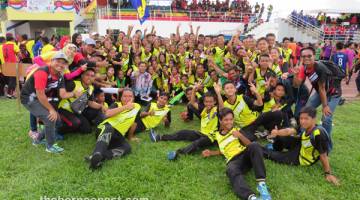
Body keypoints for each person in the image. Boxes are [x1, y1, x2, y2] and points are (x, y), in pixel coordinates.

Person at [202, 108, 271, 200]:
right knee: (230, 169)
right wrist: (211, 153)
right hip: (233, 161)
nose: (229, 122)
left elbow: (249, 145)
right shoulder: (217, 135)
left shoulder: (237, 130)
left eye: (231, 119)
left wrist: (240, 135)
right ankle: (251, 197)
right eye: (226, 120)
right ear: (220, 121)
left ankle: (261, 185)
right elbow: (223, 150)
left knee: (255, 145)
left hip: (245, 156)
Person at [263, 106, 340, 186]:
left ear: (314, 119)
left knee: (272, 155)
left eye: (306, 119)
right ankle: (276, 148)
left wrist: (328, 173)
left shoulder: (318, 133)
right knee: (280, 137)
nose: (303, 121)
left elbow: (323, 155)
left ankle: (256, 148)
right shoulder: (304, 126)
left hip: (301, 158)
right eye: (301, 118)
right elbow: (289, 131)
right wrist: (277, 132)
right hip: (300, 145)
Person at [150, 83, 222, 160]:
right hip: (202, 133)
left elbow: (222, 107)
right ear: (204, 102)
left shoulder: (216, 110)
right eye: (206, 102)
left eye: (211, 102)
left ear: (215, 102)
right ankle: (160, 137)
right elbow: (192, 102)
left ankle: (179, 153)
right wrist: (194, 89)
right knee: (183, 132)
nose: (208, 104)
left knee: (196, 143)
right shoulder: (204, 109)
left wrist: (218, 93)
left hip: (211, 137)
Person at [20, 52, 74, 153]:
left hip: (40, 97)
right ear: (51, 61)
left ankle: (38, 140)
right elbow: (40, 94)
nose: (61, 65)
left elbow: (62, 94)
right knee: (50, 118)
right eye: (58, 61)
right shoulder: (42, 71)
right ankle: (50, 146)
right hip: (29, 98)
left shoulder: (60, 75)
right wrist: (51, 110)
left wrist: (74, 93)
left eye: (63, 63)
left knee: (57, 121)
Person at [293, 47, 341, 141]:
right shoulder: (304, 67)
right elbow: (296, 84)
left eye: (309, 56)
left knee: (326, 118)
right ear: (301, 58)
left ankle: (325, 142)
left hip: (333, 93)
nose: (306, 58)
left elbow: (322, 88)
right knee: (306, 111)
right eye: (304, 56)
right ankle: (303, 134)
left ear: (314, 56)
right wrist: (295, 74)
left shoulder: (320, 68)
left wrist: (325, 106)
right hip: (321, 92)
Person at [86, 89, 141, 170]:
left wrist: (130, 137)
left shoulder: (137, 107)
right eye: (125, 96)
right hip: (105, 129)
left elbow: (134, 123)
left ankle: (98, 157)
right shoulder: (116, 104)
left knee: (127, 148)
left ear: (133, 98)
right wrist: (125, 107)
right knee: (109, 128)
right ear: (121, 98)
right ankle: (97, 153)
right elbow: (108, 113)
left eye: (130, 96)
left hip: (118, 135)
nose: (127, 98)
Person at [58, 68, 104, 134]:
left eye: (92, 76)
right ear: (82, 76)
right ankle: (58, 129)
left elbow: (90, 102)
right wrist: (73, 94)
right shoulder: (73, 84)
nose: (89, 77)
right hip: (63, 110)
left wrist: (101, 106)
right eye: (87, 75)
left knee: (87, 130)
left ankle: (75, 125)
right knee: (76, 123)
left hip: (76, 111)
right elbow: (60, 95)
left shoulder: (91, 88)